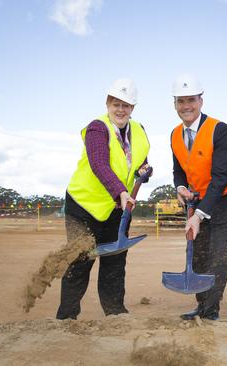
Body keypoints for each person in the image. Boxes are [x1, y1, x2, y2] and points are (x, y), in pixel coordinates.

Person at [57, 78, 151, 319]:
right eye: (116, 103)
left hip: (118, 209)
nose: (120, 109)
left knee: (114, 263)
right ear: (107, 103)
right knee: (81, 261)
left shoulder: (139, 131)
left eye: (126, 105)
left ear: (133, 108)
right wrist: (120, 191)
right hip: (84, 206)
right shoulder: (97, 128)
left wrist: (145, 170)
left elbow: (138, 162)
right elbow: (99, 163)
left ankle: (115, 312)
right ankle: (67, 316)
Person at [170, 74, 227, 321]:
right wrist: (180, 186)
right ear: (174, 104)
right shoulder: (174, 135)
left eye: (191, 100)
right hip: (202, 198)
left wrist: (198, 215)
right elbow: (178, 170)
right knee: (198, 251)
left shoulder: (221, 130)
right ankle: (202, 303)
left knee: (217, 251)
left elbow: (221, 178)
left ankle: (211, 309)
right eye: (181, 101)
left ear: (201, 101)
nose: (186, 106)